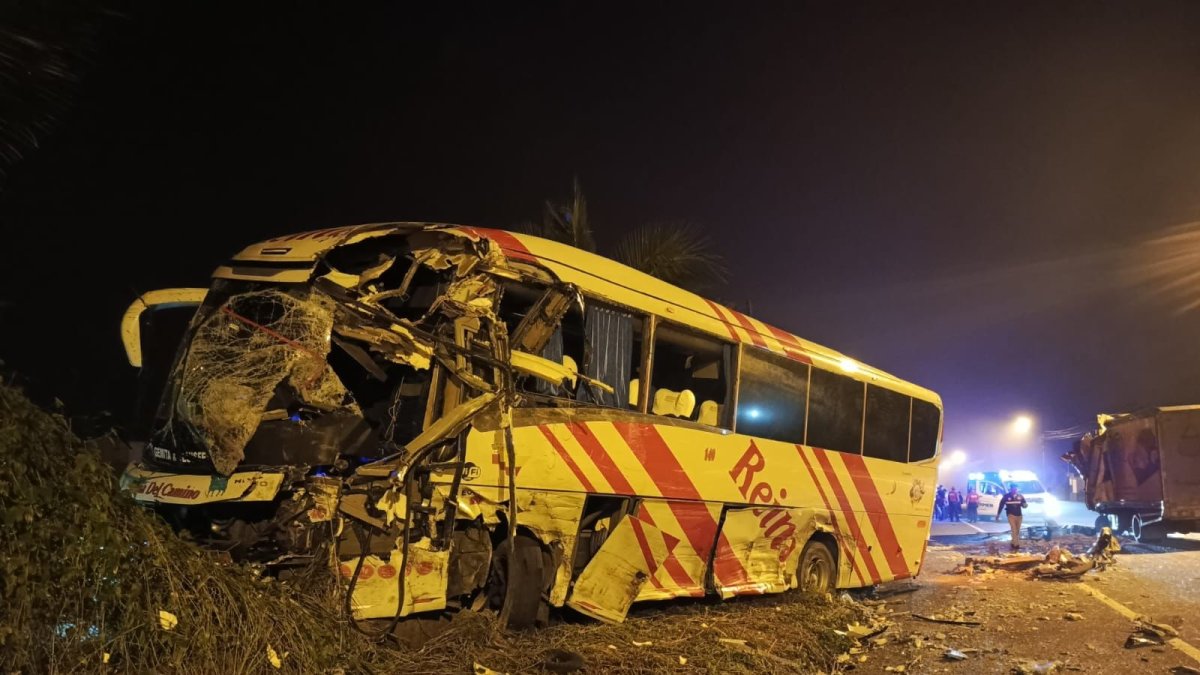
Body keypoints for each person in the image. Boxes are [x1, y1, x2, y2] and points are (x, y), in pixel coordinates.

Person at [1001, 483, 1028, 550]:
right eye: (1013, 489)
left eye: (1016, 489)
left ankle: (1013, 542)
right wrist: (998, 514)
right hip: (1011, 515)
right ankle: (1016, 545)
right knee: (1014, 529)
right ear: (1010, 489)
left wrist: (1025, 505)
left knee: (1017, 531)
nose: (1015, 490)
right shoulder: (1007, 496)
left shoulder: (1020, 496)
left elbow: (1024, 504)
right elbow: (1001, 505)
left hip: (1019, 515)